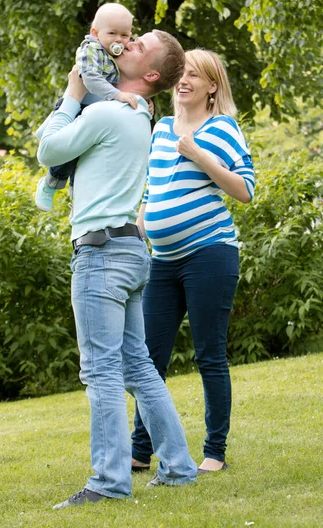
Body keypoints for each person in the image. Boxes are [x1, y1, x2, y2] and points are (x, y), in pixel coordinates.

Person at [36, 29, 197, 509]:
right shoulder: (139, 117)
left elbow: (48, 150)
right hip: (130, 251)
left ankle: (108, 481)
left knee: (102, 370)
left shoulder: (109, 110)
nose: (127, 44)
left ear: (149, 75)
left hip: (101, 254)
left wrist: (72, 92)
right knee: (139, 367)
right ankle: (178, 467)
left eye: (139, 45)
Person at [131, 49, 255, 475]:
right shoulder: (161, 128)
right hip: (161, 261)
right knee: (148, 358)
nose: (183, 80)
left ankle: (214, 452)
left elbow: (244, 189)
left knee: (209, 355)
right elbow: (152, 189)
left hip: (210, 254)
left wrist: (199, 154)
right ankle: (139, 452)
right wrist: (137, 229)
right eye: (180, 73)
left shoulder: (221, 128)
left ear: (212, 86)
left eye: (194, 75)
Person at [35, 2, 138, 213]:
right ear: (95, 32)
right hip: (79, 106)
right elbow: (89, 78)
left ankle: (77, 196)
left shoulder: (117, 52)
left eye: (125, 35)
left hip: (95, 108)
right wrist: (117, 95)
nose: (119, 40)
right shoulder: (91, 49)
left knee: (87, 156)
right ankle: (52, 181)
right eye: (112, 33)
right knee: (69, 151)